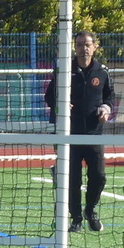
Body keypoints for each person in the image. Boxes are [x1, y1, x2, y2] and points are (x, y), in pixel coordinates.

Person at [43, 30, 114, 234]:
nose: (84, 48)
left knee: (99, 176)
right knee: (72, 179)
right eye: (80, 44)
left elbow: (109, 96)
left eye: (87, 44)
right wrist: (61, 105)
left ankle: (90, 210)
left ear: (95, 47)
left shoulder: (102, 72)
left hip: (94, 134)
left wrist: (106, 109)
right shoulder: (65, 70)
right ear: (75, 47)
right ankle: (75, 219)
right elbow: (50, 97)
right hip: (69, 135)